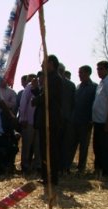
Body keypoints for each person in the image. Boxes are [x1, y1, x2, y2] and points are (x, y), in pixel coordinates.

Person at [32, 55, 63, 185]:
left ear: (51, 63)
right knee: (45, 150)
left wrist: (35, 100)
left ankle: (51, 178)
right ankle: (46, 177)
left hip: (51, 120)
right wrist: (35, 90)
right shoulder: (49, 78)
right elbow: (43, 95)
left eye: (44, 63)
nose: (42, 66)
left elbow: (47, 97)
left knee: (50, 150)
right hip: (45, 119)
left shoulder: (55, 79)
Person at [67, 65, 97, 173]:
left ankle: (81, 168)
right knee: (71, 145)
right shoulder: (78, 87)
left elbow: (94, 105)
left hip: (86, 122)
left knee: (84, 146)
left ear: (88, 73)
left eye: (81, 72)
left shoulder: (94, 87)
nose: (79, 75)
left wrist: (91, 119)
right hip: (75, 120)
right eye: (79, 72)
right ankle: (68, 166)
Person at [92, 60, 108, 177]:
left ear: (107, 70)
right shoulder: (101, 83)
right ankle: (99, 169)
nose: (99, 71)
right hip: (98, 121)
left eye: (101, 69)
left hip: (106, 122)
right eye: (98, 69)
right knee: (97, 147)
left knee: (106, 147)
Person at [18, 74, 41, 174]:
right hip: (29, 121)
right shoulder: (28, 88)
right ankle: (25, 165)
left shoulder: (42, 88)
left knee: (38, 146)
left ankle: (37, 165)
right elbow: (23, 104)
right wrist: (23, 118)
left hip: (39, 122)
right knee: (27, 145)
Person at [58, 63, 76, 173]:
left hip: (58, 120)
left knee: (58, 145)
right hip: (67, 119)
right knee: (65, 145)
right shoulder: (71, 85)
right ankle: (64, 167)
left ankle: (59, 167)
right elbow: (74, 103)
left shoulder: (55, 84)